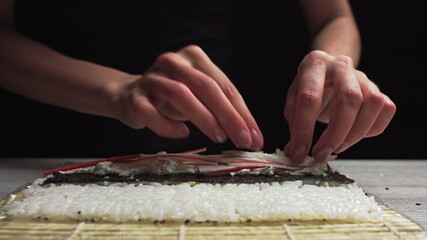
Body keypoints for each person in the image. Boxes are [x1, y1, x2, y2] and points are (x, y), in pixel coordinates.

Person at [0, 0, 395, 164]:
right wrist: (119, 90)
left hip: (206, 152)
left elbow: (334, 17)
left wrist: (329, 63)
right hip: (39, 151)